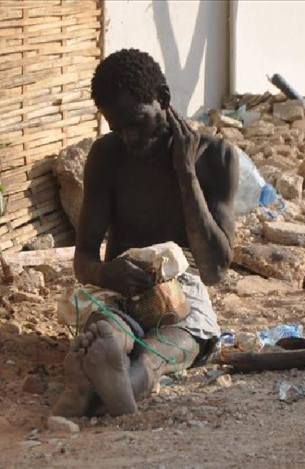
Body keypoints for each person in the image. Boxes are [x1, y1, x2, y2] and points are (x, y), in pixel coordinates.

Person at [52, 49, 238, 417]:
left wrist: (186, 174)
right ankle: (108, 364)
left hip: (183, 297)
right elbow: (84, 258)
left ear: (163, 99)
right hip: (119, 290)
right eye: (118, 129)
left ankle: (99, 388)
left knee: (169, 346)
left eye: (137, 122)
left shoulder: (217, 158)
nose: (129, 139)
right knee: (107, 328)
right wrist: (106, 272)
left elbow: (215, 269)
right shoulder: (106, 157)